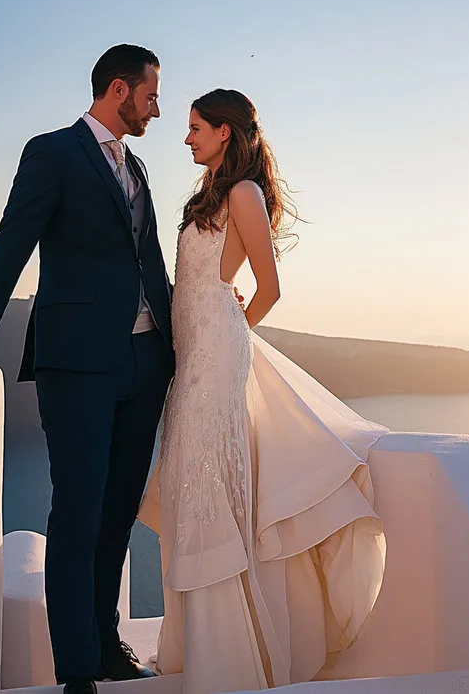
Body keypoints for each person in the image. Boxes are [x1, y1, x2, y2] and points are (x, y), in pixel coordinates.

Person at [0, 44, 173, 694]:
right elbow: (8, 250)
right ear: (118, 89)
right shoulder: (51, 152)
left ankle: (107, 642)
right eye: (151, 95)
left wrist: (183, 351)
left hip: (143, 363)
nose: (157, 109)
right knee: (77, 515)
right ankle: (77, 671)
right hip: (76, 364)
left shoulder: (137, 168)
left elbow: (153, 271)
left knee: (117, 513)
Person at [137, 89, 386, 694]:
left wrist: (229, 328)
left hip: (215, 359)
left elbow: (269, 287)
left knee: (208, 490)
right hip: (190, 359)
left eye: (196, 127)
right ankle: (193, 645)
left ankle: (227, 661)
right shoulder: (210, 196)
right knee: (186, 487)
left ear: (225, 133)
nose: (187, 136)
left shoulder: (243, 195)